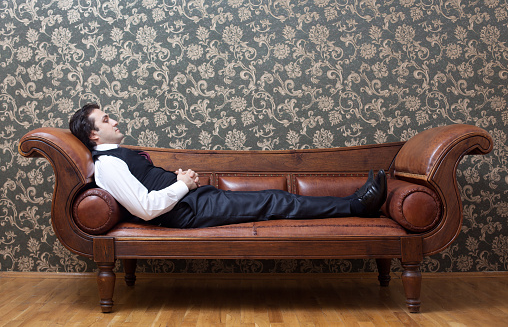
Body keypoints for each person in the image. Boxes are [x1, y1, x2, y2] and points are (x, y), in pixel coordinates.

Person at [69, 103, 387, 229]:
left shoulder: (117, 156)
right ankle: (357, 205)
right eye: (106, 119)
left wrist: (177, 179)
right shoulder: (107, 165)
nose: (115, 120)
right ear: (94, 133)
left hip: (192, 201)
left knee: (274, 199)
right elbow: (146, 207)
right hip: (188, 210)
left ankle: (354, 202)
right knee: (278, 200)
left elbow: (148, 186)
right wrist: (184, 184)